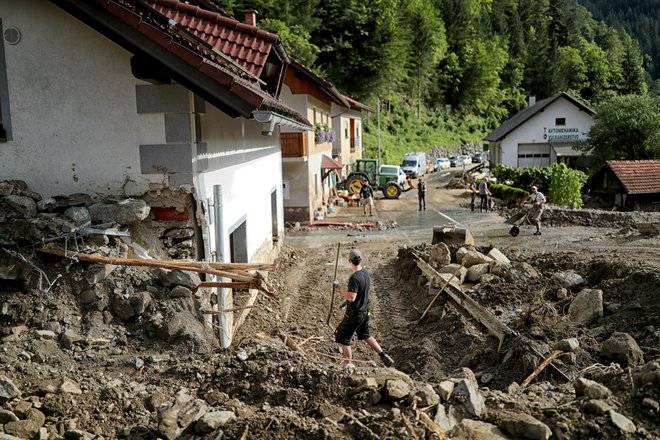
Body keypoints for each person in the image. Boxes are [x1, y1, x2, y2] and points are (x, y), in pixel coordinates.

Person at [332, 249, 394, 367]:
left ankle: (348, 365)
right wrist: (348, 301)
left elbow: (352, 297)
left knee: (344, 336)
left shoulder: (354, 278)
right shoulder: (366, 273)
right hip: (365, 311)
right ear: (361, 260)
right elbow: (361, 292)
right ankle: (383, 355)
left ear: (349, 261)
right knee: (365, 334)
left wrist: (339, 287)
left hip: (355, 313)